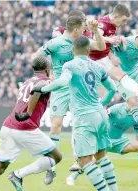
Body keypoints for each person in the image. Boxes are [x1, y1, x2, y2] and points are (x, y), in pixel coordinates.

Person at [31, 35, 118, 191]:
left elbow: (63, 82)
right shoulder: (99, 67)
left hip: (84, 117)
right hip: (100, 114)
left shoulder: (70, 65)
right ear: (89, 49)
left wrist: (42, 88)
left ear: (73, 50)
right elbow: (112, 89)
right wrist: (102, 103)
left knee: (84, 160)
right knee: (101, 156)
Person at [0, 56, 62, 191]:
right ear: (47, 69)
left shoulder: (26, 82)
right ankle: (18, 175)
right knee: (56, 156)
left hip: (8, 125)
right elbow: (38, 88)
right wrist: (29, 113)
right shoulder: (45, 81)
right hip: (25, 127)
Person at [66, 102, 138, 187]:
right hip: (104, 138)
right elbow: (102, 117)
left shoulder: (137, 116)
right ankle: (72, 176)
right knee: (93, 161)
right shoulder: (117, 108)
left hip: (118, 141)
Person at [88, 4, 138, 100]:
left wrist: (113, 53)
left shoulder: (113, 25)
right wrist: (110, 39)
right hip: (94, 60)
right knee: (103, 88)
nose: (125, 23)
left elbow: (107, 44)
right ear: (116, 16)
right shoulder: (103, 23)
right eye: (124, 20)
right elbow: (95, 38)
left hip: (103, 58)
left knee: (119, 78)